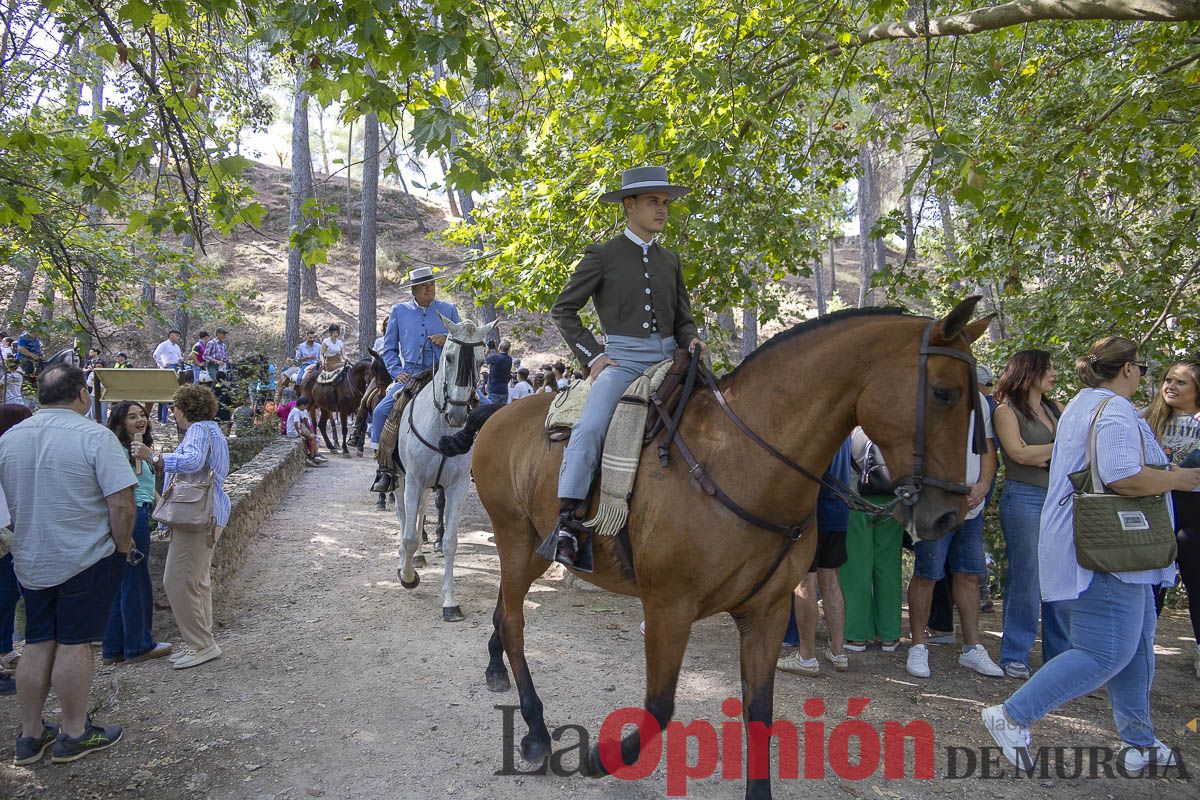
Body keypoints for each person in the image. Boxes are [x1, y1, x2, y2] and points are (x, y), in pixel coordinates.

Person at [983, 336, 1200, 774]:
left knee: (1137, 646)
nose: (1144, 374)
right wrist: (1180, 478)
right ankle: (1012, 715)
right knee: (1107, 651)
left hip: (1113, 548)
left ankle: (1138, 742)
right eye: (1140, 366)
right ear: (1125, 370)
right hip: (1108, 548)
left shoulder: (1083, 402)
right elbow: (1123, 477)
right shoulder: (1115, 410)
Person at [548, 166, 702, 569]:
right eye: (654, 202)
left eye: (665, 203)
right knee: (591, 426)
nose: (662, 210)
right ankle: (568, 521)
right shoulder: (604, 255)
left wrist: (692, 339)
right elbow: (563, 311)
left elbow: (682, 319)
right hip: (623, 362)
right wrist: (594, 357)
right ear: (629, 205)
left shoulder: (671, 259)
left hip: (671, 360)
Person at [0, 364, 135, 763]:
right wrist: (122, 547)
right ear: (81, 395)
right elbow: (121, 502)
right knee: (76, 642)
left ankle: (31, 733)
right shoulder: (96, 437)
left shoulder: (9, 440)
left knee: (39, 640)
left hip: (30, 558)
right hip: (84, 556)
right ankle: (75, 731)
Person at [905, 380, 1003, 679]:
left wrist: (984, 486)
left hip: (971, 505)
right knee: (927, 574)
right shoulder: (923, 396)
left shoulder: (980, 401)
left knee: (969, 574)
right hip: (933, 503)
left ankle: (972, 648)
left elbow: (987, 447)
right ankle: (918, 645)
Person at [131, 384, 230, 670]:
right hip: (210, 512)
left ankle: (202, 644)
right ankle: (201, 641)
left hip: (197, 514)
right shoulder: (212, 429)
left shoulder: (199, 430)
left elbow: (193, 461)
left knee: (175, 580)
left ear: (184, 408)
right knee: (197, 581)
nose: (172, 412)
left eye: (175, 407)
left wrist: (155, 456)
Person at [993, 350, 1071, 680]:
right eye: (1048, 368)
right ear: (1029, 372)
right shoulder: (1005, 411)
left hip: (1061, 499)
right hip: (1024, 498)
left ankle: (1060, 657)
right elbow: (1017, 453)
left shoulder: (1058, 408)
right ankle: (1015, 654)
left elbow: (1078, 448)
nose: (1054, 374)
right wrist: (1059, 449)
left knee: (1062, 578)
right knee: (1027, 577)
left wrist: (1043, 455)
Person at [370, 266, 461, 493]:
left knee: (484, 405)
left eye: (432, 284)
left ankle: (477, 463)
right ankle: (385, 468)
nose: (431, 288)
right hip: (411, 374)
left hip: (444, 373)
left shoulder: (449, 310)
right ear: (414, 289)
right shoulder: (399, 311)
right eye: (425, 285)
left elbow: (463, 339)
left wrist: (447, 337)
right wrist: (395, 370)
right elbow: (389, 349)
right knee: (382, 411)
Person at [101, 402, 172, 666]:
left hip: (137, 513)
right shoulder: (122, 451)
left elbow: (147, 489)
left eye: (142, 415)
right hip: (131, 516)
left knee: (123, 582)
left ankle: (114, 647)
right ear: (120, 423)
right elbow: (127, 490)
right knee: (135, 581)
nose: (140, 420)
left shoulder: (139, 449)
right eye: (132, 417)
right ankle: (139, 644)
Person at [1144, 357, 1200, 678]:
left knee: (1196, 579)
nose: (1170, 386)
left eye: (1180, 382)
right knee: (1150, 579)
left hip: (1194, 510)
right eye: (1168, 380)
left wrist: (1178, 473)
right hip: (1156, 506)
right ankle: (1141, 644)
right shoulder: (1148, 419)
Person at [777, 440, 853, 676]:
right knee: (830, 581)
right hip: (839, 509)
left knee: (804, 582)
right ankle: (838, 652)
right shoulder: (845, 425)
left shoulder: (819, 413)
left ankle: (807, 656)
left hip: (812, 511)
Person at [841, 427, 904, 652]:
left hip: (855, 498)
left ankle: (856, 634)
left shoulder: (853, 429)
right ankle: (890, 634)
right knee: (888, 566)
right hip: (892, 500)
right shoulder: (896, 425)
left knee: (856, 565)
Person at [0, 403, 33, 693]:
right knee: (5, 594)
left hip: (9, 535)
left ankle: (5, 648)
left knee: (9, 593)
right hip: (4, 535)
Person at [153, 330, 184, 424]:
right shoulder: (164, 345)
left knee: (173, 392)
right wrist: (162, 365)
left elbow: (179, 357)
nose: (178, 338)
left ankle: (168, 418)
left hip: (176, 368)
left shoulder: (177, 347)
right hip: (167, 369)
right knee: (166, 393)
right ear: (171, 335)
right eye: (176, 336)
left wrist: (180, 361)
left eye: (179, 336)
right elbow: (155, 355)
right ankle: (163, 419)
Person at [287, 396, 327, 466]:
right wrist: (299, 435)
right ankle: (312, 456)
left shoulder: (294, 410)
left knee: (312, 436)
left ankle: (314, 455)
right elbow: (296, 423)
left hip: (291, 431)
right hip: (293, 432)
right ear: (302, 405)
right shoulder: (297, 411)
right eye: (305, 406)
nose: (305, 408)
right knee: (313, 438)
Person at [485, 340, 513, 405]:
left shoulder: (495, 357)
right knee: (501, 412)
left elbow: (483, 359)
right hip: (504, 390)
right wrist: (497, 349)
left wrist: (488, 349)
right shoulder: (509, 359)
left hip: (494, 390)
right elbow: (501, 356)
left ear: (500, 347)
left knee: (492, 412)